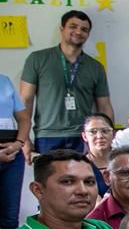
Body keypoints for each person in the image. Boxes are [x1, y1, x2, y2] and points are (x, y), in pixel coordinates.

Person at [20, 10, 113, 158]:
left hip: (84, 137)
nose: (78, 32)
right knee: (49, 180)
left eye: (84, 29)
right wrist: (23, 139)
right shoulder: (37, 59)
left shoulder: (95, 66)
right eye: (73, 26)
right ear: (62, 29)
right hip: (47, 136)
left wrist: (108, 138)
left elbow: (104, 106)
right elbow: (25, 101)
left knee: (84, 180)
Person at [0, 72, 31, 229]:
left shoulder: (4, 80)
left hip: (12, 153)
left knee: (10, 217)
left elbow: (24, 119)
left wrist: (19, 144)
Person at [80, 112, 115, 196]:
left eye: (105, 131)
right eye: (93, 132)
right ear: (84, 136)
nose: (99, 136)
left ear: (113, 134)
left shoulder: (123, 161)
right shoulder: (80, 165)